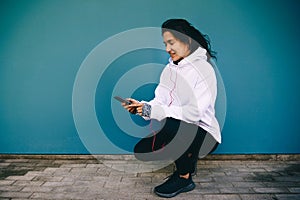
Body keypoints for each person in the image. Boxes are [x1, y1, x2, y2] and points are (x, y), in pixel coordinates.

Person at [122, 19, 221, 198]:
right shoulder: (169, 70)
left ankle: (184, 177)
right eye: (165, 44)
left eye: (171, 42)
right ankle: (187, 157)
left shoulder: (204, 69)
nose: (167, 48)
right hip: (178, 127)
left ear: (187, 41)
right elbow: (160, 101)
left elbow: (194, 113)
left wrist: (155, 112)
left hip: (205, 133)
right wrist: (142, 107)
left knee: (172, 125)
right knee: (142, 151)